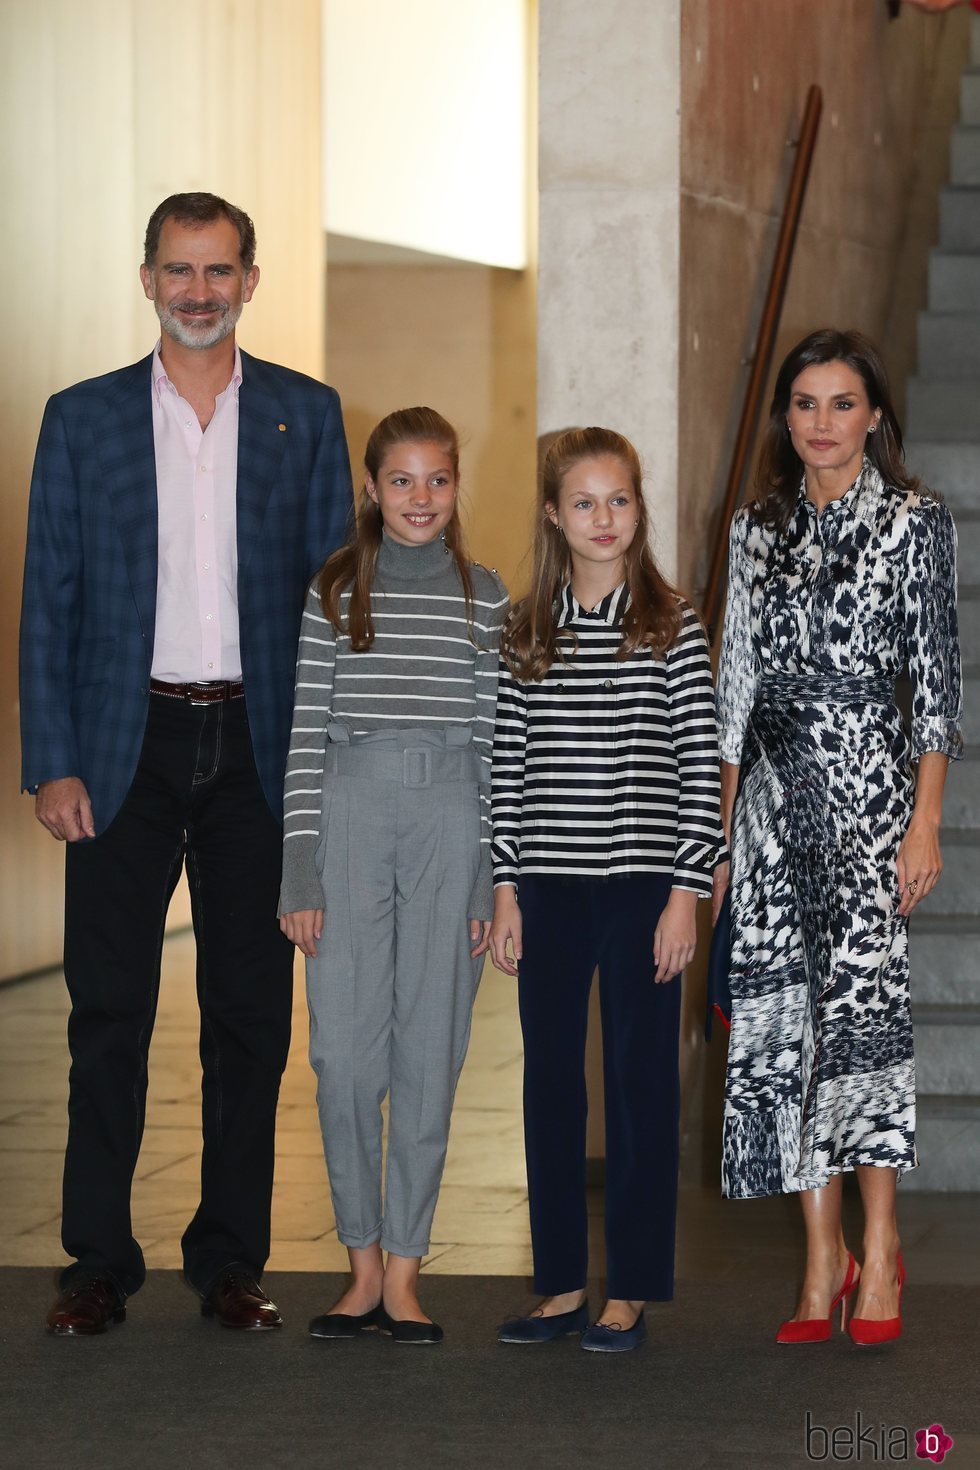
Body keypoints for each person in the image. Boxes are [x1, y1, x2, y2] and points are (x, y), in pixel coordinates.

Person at [20, 191, 352, 1336]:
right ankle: (97, 1264)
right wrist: (52, 760)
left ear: (250, 280)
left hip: (258, 750)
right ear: (148, 278)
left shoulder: (305, 417)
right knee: (106, 1012)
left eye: (219, 271)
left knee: (250, 1017)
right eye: (179, 271)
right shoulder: (83, 419)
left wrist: (323, 771)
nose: (199, 292)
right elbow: (47, 600)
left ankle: (228, 1264)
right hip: (126, 751)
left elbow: (329, 607)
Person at [715, 328, 961, 1345]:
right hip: (769, 806)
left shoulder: (914, 522)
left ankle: (880, 1247)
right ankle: (819, 1263)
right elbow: (732, 683)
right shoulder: (752, 527)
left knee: (857, 1025)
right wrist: (719, 831)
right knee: (780, 1029)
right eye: (804, 404)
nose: (820, 422)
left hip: (866, 798)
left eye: (841, 403)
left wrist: (925, 821)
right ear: (785, 417)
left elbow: (937, 686)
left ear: (873, 416)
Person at [489, 427, 725, 1353]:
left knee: (637, 1089)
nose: (602, 518)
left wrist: (684, 895)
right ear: (554, 514)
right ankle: (557, 1287)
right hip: (547, 889)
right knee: (549, 1085)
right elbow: (507, 766)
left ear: (640, 510)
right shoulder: (525, 630)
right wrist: (505, 888)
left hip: (640, 894)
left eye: (618, 501)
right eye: (583, 502)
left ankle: (628, 1287)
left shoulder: (672, 624)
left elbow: (698, 769)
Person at [279, 407, 508, 1344]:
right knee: (343, 1057)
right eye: (402, 481)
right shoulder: (335, 590)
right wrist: (300, 871)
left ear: (458, 488)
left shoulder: (484, 595)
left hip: (451, 817)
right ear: (372, 489)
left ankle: (407, 1271)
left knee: (431, 1053)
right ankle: (360, 1264)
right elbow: (301, 739)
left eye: (439, 481)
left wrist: (493, 874)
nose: (421, 499)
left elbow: (500, 744)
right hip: (349, 813)